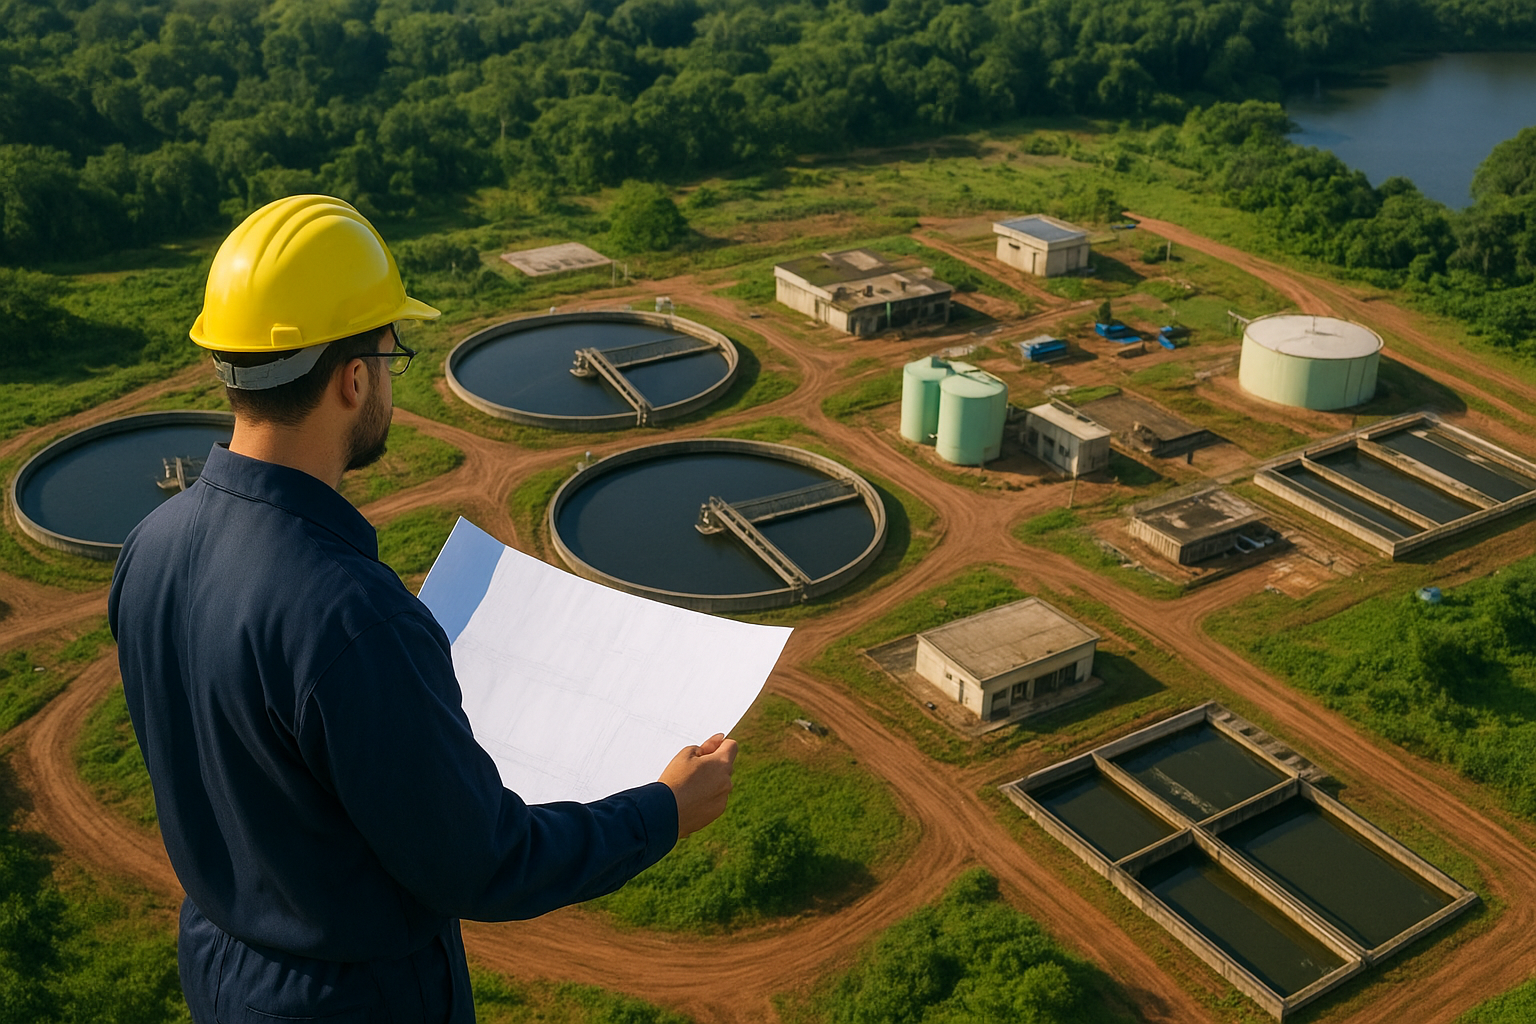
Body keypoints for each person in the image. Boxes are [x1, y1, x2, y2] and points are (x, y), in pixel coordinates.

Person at [108, 194, 738, 1023]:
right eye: (388, 352)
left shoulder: (150, 546)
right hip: (353, 1003)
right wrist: (663, 811)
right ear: (354, 376)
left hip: (226, 969)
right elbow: (480, 864)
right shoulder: (349, 614)